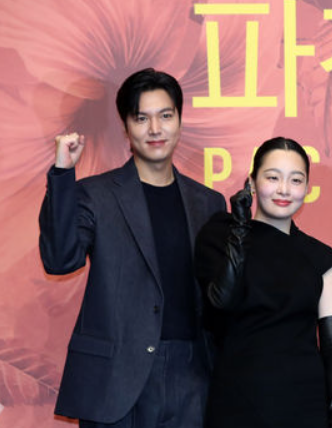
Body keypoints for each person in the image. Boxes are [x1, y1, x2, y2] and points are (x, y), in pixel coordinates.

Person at [38, 68, 226, 428]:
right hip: (117, 378)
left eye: (165, 116)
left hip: (193, 376)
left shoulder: (209, 203)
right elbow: (60, 260)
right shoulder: (96, 195)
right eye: (142, 118)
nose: (155, 129)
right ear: (126, 127)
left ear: (179, 120)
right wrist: (62, 174)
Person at [194, 137, 332, 428]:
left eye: (296, 180)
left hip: (303, 406)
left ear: (307, 188)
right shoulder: (220, 234)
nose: (284, 189)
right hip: (236, 399)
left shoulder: (322, 259)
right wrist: (240, 229)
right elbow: (222, 300)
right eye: (273, 177)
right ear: (252, 182)